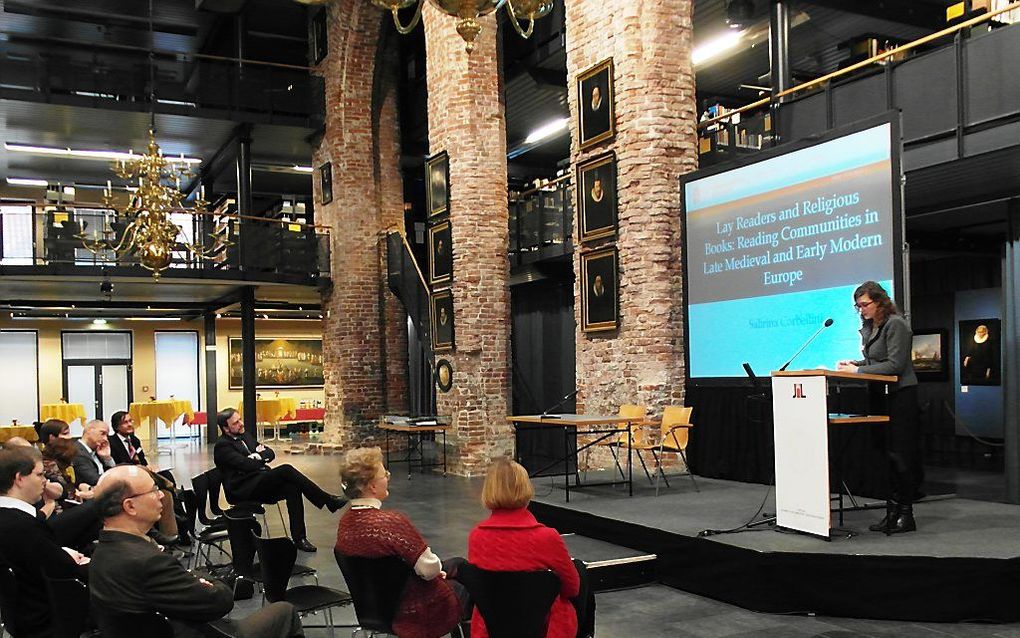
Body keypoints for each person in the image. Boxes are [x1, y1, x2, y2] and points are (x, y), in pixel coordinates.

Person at [89, 465, 303, 638]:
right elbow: (220, 602)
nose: (161, 496)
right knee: (284, 612)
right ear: (130, 506)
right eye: (153, 491)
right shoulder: (149, 562)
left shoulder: (103, 552)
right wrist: (206, 580)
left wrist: (193, 579)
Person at [335, 447, 467, 638]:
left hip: (373, 611)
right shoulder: (391, 523)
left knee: (458, 563)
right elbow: (428, 570)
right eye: (384, 474)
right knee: (468, 581)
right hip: (410, 611)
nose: (388, 477)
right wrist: (438, 572)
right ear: (372, 485)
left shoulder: (344, 524)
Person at [468, 458, 595, 638]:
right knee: (580, 573)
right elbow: (572, 589)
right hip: (544, 629)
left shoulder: (476, 537)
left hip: (491, 629)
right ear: (525, 489)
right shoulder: (547, 537)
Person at [838, 281, 920, 534]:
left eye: (865, 304)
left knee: (900, 453)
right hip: (878, 394)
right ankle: (892, 511)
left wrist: (859, 370)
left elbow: (895, 364)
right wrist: (857, 363)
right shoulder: (871, 326)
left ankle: (906, 513)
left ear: (879, 301)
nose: (861, 310)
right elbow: (877, 360)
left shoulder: (896, 324)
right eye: (858, 306)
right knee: (885, 454)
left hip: (900, 395)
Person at [213, 408, 344, 552]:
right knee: (286, 469)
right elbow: (247, 465)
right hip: (243, 489)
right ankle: (327, 500)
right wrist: (258, 456)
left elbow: (270, 453)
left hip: (258, 480)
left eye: (240, 420)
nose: (241, 424)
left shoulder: (245, 436)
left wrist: (257, 456)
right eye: (236, 423)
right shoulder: (223, 446)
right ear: (226, 429)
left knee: (292, 488)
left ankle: (299, 538)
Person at [0, 446, 89, 638]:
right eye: (40, 475)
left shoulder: (13, 520)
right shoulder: (24, 526)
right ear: (19, 478)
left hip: (19, 617)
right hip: (45, 619)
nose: (45, 481)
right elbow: (66, 573)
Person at [72, 420, 116, 488]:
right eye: (102, 433)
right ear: (89, 431)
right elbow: (94, 480)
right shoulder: (76, 451)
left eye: (107, 435)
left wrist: (107, 458)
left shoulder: (98, 451)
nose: (105, 439)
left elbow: (112, 472)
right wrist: (118, 480)